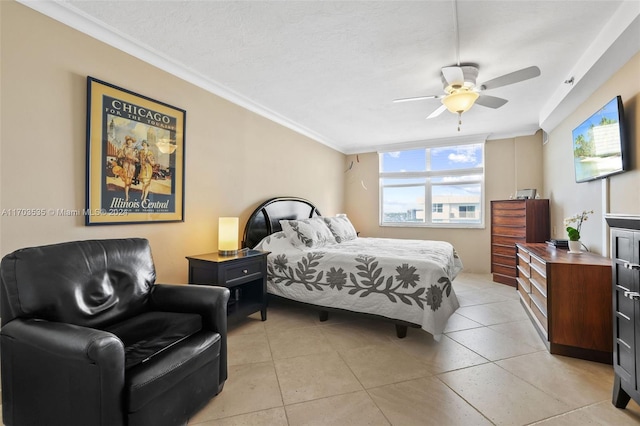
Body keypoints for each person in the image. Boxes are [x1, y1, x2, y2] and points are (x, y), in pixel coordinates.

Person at [117, 136, 138, 201]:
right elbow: (119, 156)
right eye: (128, 141)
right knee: (126, 181)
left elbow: (138, 159)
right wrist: (122, 149)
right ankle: (126, 196)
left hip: (132, 166)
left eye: (130, 141)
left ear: (132, 142)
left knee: (130, 180)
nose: (129, 142)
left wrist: (135, 159)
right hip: (126, 165)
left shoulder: (135, 149)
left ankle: (128, 193)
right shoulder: (125, 148)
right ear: (127, 142)